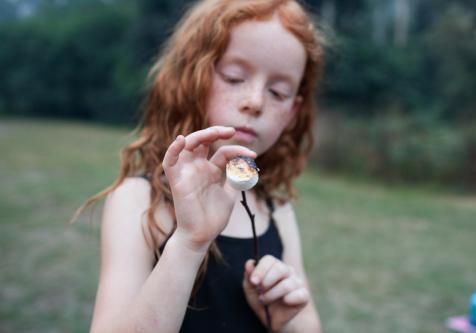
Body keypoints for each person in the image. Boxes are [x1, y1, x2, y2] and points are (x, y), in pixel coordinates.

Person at [74, 0, 324, 332]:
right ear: (193, 77)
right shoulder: (137, 200)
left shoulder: (276, 209)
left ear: (293, 113)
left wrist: (282, 321)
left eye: (277, 92)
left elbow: (309, 325)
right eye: (235, 78)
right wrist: (189, 242)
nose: (255, 101)